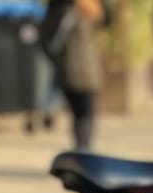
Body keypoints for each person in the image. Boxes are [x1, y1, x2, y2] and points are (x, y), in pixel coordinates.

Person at [39, 0, 105, 151]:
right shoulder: (92, 9)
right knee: (86, 114)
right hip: (90, 69)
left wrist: (56, 61)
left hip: (68, 69)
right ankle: (84, 148)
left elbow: (45, 39)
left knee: (78, 113)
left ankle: (81, 148)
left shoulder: (60, 9)